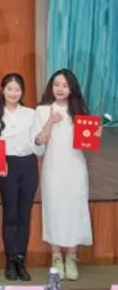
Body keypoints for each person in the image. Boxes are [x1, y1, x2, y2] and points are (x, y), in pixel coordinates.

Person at [32, 69, 92, 281]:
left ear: (72, 89)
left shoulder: (79, 111)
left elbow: (86, 144)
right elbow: (38, 143)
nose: (60, 89)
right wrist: (50, 121)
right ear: (51, 86)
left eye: (65, 85)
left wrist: (94, 134)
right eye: (56, 84)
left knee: (75, 209)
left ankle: (72, 258)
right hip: (53, 168)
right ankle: (56, 257)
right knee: (54, 209)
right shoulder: (42, 110)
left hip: (75, 167)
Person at [0, 73, 38, 281]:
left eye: (17, 89)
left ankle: (20, 260)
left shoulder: (31, 113)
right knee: (10, 215)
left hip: (28, 165)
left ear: (22, 92)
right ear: (2, 90)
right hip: (6, 167)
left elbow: (36, 143)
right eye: (9, 89)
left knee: (24, 215)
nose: (13, 93)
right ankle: (9, 261)